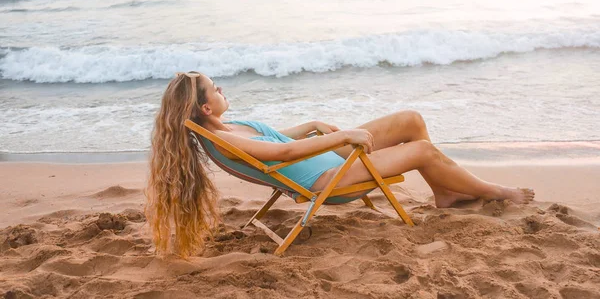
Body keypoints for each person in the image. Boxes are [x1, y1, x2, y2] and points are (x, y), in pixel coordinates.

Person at [145, 71, 535, 256]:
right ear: (206, 106)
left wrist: (313, 126)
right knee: (423, 152)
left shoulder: (230, 127)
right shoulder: (227, 140)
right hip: (329, 178)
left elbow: (280, 138)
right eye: (216, 88)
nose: (222, 88)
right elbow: (283, 155)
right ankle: (495, 191)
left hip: (327, 157)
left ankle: (444, 192)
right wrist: (342, 136)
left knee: (411, 120)